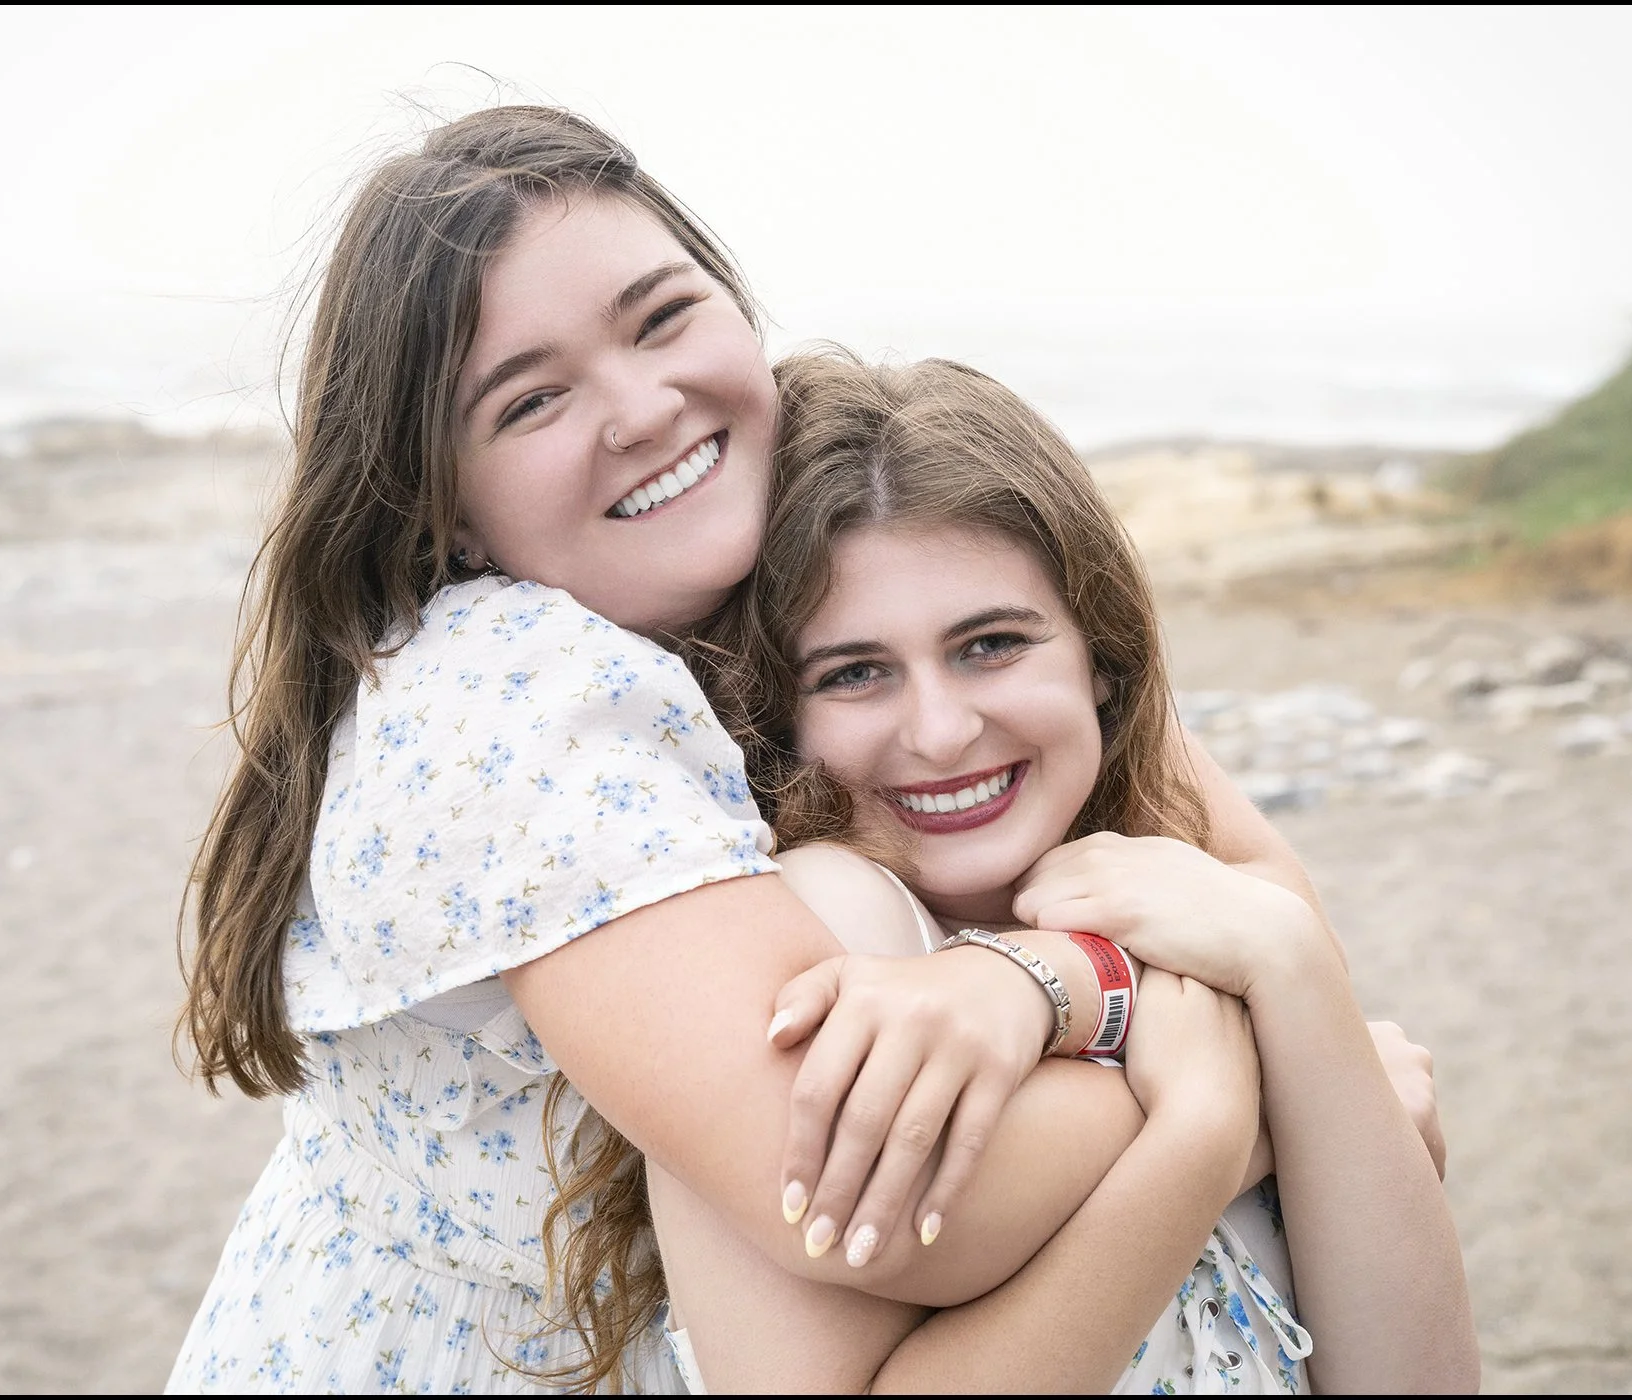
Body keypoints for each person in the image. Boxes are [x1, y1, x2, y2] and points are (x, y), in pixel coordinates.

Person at [166, 105, 1445, 1396]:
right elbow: (854, 1179)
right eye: (533, 398)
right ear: (438, 497)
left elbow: (1262, 904)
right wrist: (1241, 1090)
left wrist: (1069, 979)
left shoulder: (865, 531)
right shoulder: (517, 694)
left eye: (663, 317)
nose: (642, 406)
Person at [606, 349, 1479, 1392]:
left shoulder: (1190, 894)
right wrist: (1206, 1128)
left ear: (1097, 655)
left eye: (989, 644)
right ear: (779, 711)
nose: (940, 730)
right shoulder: (824, 932)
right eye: (854, 672)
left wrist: (1282, 952)